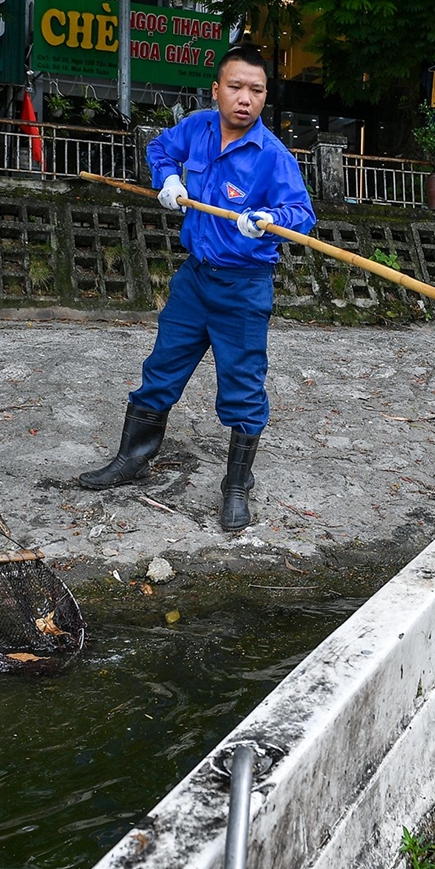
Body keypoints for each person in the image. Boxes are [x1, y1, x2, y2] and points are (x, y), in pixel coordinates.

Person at [77, 46, 316, 531]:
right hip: (194, 279)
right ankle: (132, 459)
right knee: (161, 368)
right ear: (216, 89)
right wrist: (166, 178)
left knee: (244, 387)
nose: (245, 98)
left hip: (244, 288)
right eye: (235, 86)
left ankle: (236, 484)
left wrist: (270, 220)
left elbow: (302, 216)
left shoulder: (273, 156)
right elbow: (159, 149)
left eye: (256, 90)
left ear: (265, 96)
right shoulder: (198, 128)